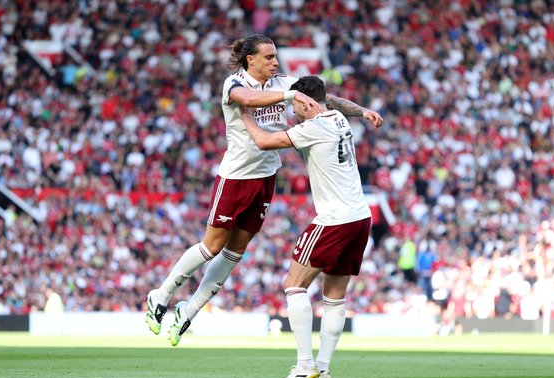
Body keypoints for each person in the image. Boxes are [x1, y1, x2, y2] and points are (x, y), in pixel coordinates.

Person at [145, 34, 383, 347]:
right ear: (250, 60)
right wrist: (289, 95)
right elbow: (249, 100)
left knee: (233, 254)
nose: (275, 62)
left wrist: (360, 110)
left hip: (266, 176)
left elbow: (325, 100)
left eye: (275, 56)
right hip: (236, 177)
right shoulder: (235, 84)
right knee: (211, 246)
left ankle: (187, 312)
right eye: (268, 57)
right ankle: (160, 295)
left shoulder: (283, 82)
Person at [240, 76, 372, 378]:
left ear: (304, 102)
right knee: (334, 296)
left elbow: (264, 141)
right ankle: (323, 369)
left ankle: (303, 367)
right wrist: (363, 110)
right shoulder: (338, 118)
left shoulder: (314, 127)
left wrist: (243, 113)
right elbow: (336, 103)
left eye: (294, 106)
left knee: (294, 285)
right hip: (360, 217)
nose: (293, 112)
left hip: (334, 219)